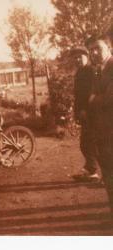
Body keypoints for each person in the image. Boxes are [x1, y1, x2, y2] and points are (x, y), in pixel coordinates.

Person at [85, 34, 113, 217]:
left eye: (99, 48)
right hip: (103, 130)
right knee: (108, 174)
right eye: (92, 49)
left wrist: (94, 99)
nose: (94, 52)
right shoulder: (98, 70)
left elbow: (109, 97)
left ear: (109, 47)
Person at [70, 47, 99, 181]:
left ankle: (92, 171)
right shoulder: (80, 72)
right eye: (75, 58)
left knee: (90, 143)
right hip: (83, 113)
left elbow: (92, 93)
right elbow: (78, 95)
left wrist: (86, 110)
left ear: (87, 56)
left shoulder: (91, 71)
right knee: (86, 143)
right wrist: (77, 113)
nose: (77, 60)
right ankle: (90, 170)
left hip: (92, 113)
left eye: (80, 57)